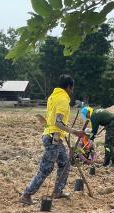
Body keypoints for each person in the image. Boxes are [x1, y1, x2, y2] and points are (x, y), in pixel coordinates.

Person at [20, 75, 85, 205]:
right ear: (68, 87)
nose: (72, 91)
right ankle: (27, 194)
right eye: (72, 89)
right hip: (53, 138)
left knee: (65, 163)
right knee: (46, 168)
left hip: (54, 136)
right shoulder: (62, 99)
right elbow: (58, 122)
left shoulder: (53, 96)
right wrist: (75, 131)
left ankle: (58, 191)